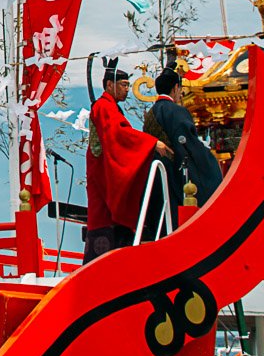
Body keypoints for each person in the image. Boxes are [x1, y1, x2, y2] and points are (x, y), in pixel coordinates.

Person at [83, 62, 157, 262]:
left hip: (105, 172)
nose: (127, 89)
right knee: (105, 221)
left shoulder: (110, 107)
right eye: (123, 84)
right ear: (109, 85)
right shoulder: (103, 107)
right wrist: (152, 143)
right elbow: (119, 135)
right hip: (103, 175)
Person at [140, 66, 223, 232]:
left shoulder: (151, 113)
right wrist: (210, 162)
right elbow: (188, 144)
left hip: (154, 171)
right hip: (172, 171)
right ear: (175, 88)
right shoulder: (176, 111)